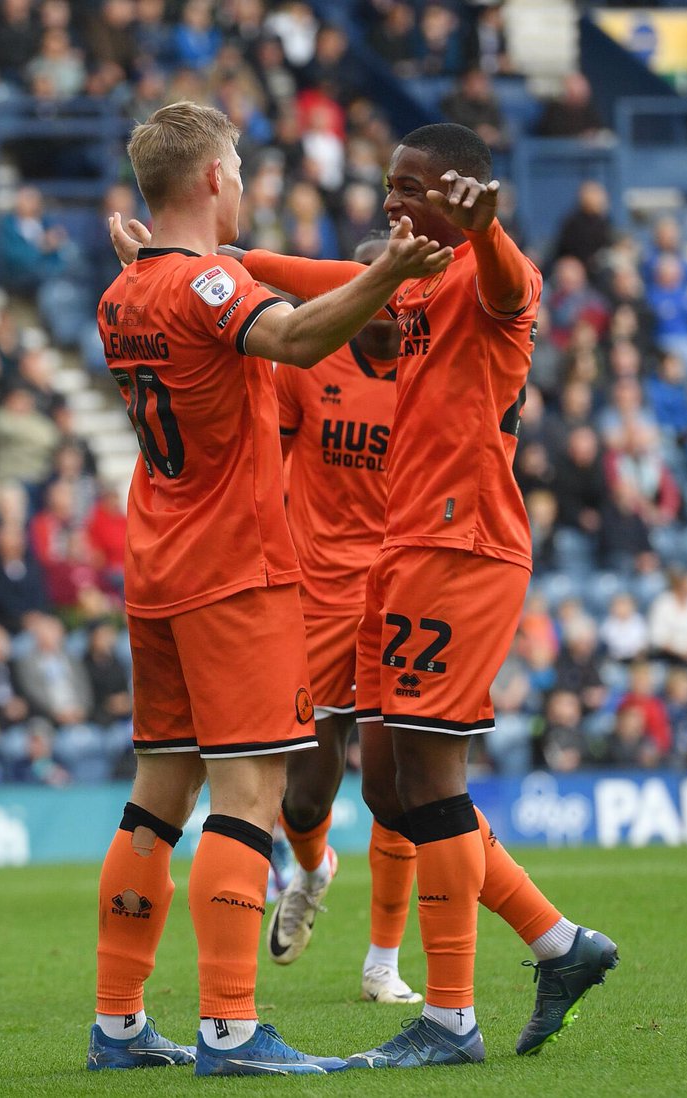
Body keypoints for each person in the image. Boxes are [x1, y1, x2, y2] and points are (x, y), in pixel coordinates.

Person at [224, 123, 617, 1067]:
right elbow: (329, 280)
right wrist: (230, 258)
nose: (392, 201)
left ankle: (449, 1017)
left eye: (411, 187)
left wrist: (486, 230)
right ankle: (560, 944)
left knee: (431, 780)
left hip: (463, 544)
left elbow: (514, 288)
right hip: (409, 548)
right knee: (390, 785)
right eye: (387, 184)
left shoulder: (489, 277)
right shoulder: (418, 285)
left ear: (463, 191)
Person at [88, 100, 453, 1077]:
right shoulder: (208, 281)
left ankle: (119, 1022)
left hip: (157, 562)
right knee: (248, 794)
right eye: (241, 168)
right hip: (232, 569)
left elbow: (198, 294)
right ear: (212, 178)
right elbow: (289, 342)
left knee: (157, 796)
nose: (247, 184)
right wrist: (386, 272)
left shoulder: (125, 290)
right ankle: (232, 1028)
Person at [203, 232, 423, 1003]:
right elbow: (268, 463)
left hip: (401, 595)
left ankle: (382, 964)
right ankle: (313, 866)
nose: (388, 308)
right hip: (318, 594)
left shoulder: (430, 372)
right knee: (305, 796)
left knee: (396, 785)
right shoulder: (312, 364)